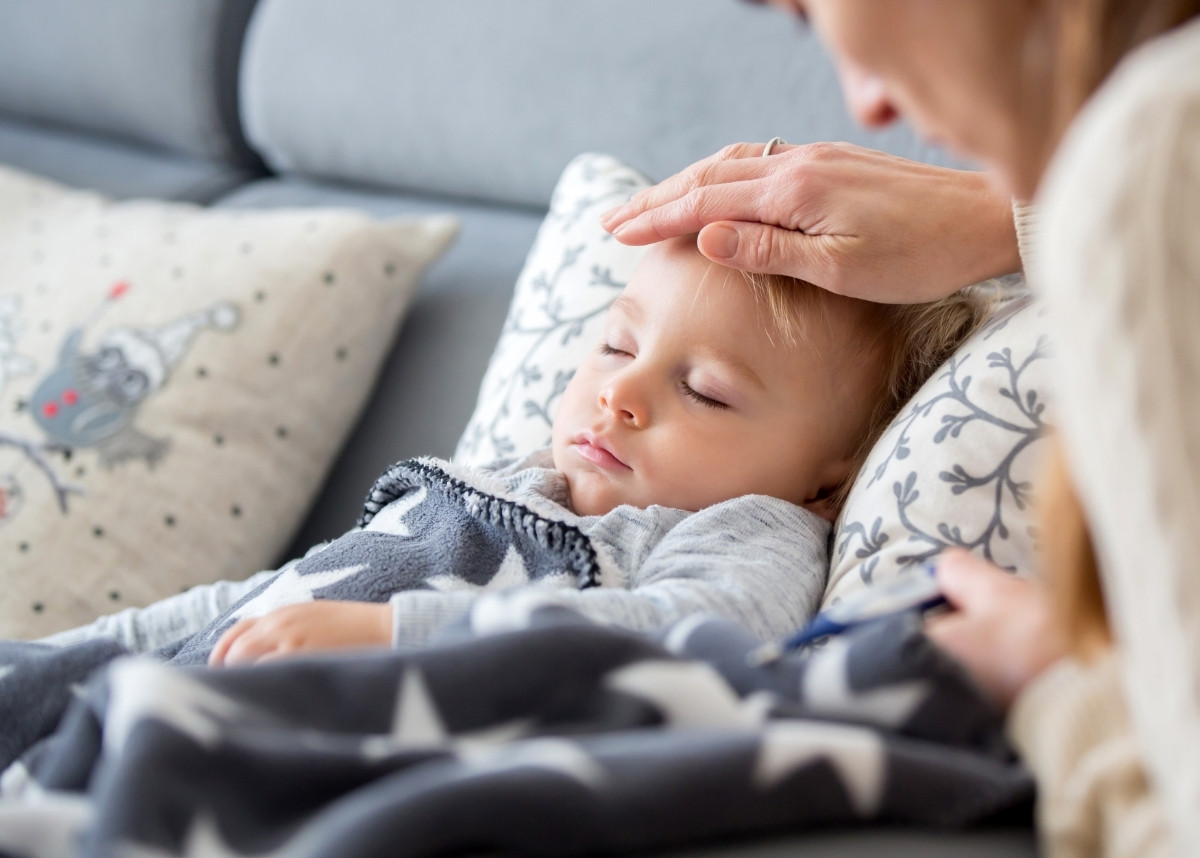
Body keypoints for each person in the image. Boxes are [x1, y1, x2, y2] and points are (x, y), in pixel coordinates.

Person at [602, 1, 1200, 856]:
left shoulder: (1158, 161)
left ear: (828, 484)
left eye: (812, 10)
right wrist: (1014, 217)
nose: (866, 104)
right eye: (613, 343)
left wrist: (1053, 685)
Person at [44, 233, 987, 670]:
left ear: (827, 485)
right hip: (179, 676)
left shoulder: (746, 534)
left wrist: (398, 637)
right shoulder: (492, 481)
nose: (620, 391)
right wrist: (73, 653)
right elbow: (263, 597)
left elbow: (700, 637)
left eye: (704, 391)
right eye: (618, 346)